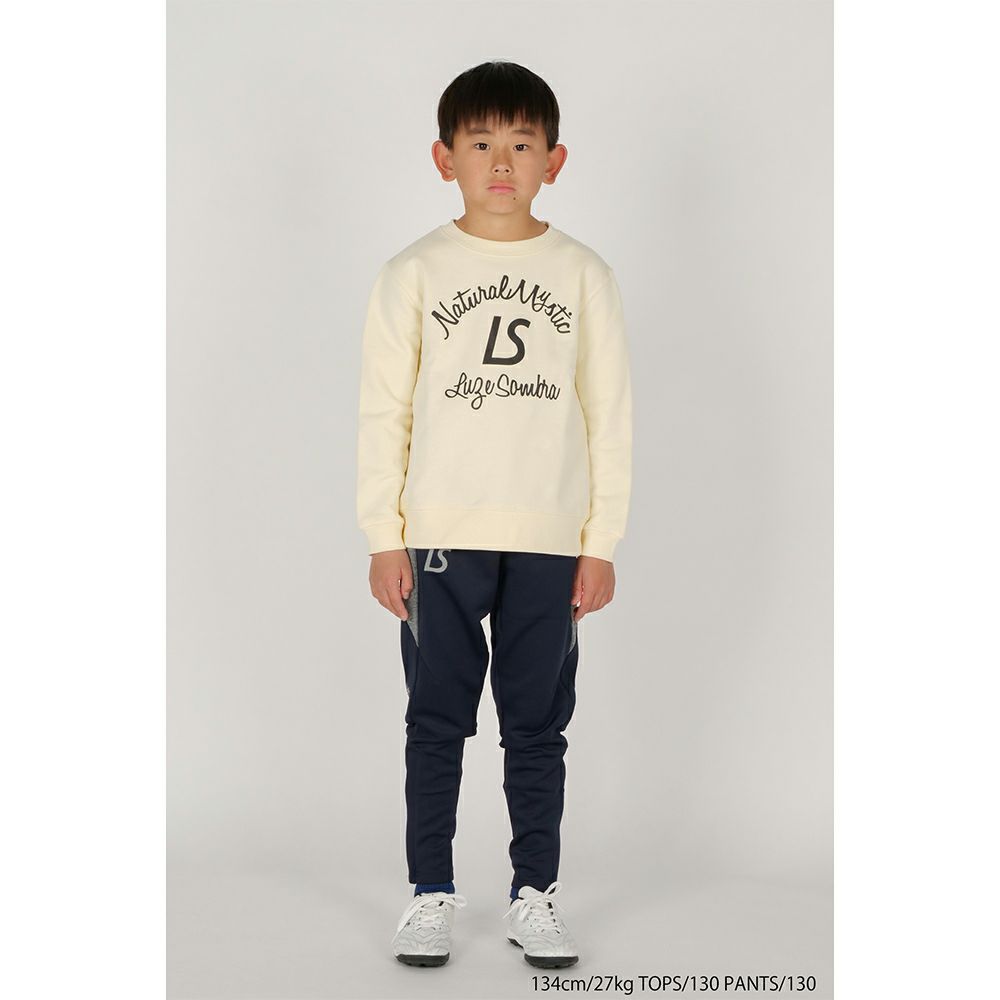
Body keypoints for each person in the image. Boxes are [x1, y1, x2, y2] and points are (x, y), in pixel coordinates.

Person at [355, 60, 633, 969]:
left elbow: (609, 415)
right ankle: (429, 892)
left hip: (548, 539)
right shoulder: (414, 272)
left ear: (555, 159)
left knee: (536, 726)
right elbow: (385, 412)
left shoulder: (583, 274)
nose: (501, 163)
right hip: (439, 537)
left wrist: (601, 543)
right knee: (436, 718)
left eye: (521, 144)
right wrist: (385, 536)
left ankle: (534, 894)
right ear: (445, 158)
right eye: (481, 144)